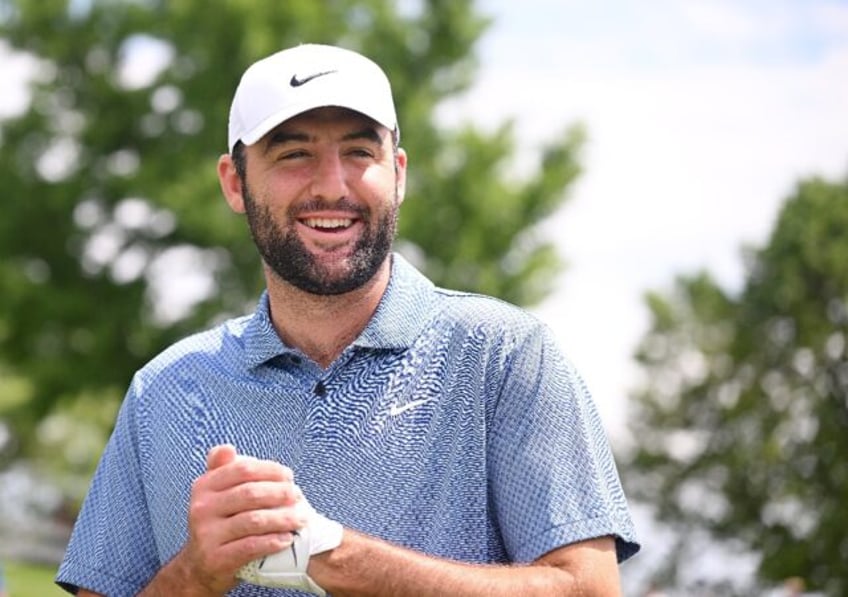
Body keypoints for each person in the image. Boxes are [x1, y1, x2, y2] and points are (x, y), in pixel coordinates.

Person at [56, 43, 640, 596]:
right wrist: (197, 571)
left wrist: (328, 554)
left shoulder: (506, 355)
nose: (332, 186)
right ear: (235, 184)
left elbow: (586, 588)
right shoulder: (164, 390)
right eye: (294, 154)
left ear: (399, 173)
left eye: (359, 152)